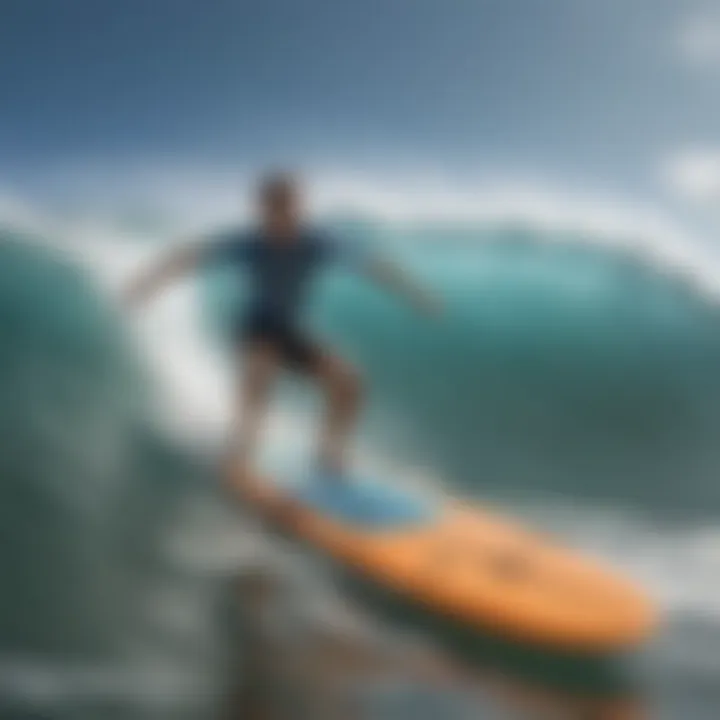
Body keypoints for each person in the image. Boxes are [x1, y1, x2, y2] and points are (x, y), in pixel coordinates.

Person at [125, 172, 440, 483]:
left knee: (349, 381)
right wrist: (146, 284)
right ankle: (242, 446)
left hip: (291, 328)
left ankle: (328, 450)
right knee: (260, 376)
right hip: (256, 326)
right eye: (273, 208)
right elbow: (190, 256)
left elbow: (371, 266)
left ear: (299, 208)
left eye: (289, 207)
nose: (281, 216)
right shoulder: (249, 243)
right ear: (262, 210)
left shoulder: (317, 242)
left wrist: (413, 293)